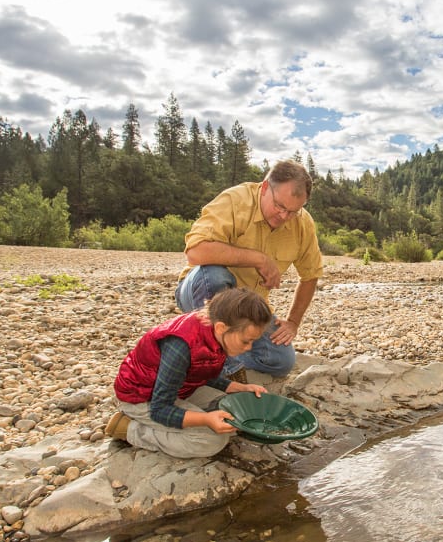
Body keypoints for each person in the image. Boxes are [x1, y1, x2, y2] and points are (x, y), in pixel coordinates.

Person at [174, 159, 323, 382]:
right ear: (264, 188)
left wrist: (293, 322)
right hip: (201, 290)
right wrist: (259, 259)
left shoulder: (303, 223)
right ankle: (219, 364)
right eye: (280, 206)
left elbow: (310, 275)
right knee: (216, 276)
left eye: (293, 211)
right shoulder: (235, 201)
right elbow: (196, 251)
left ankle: (210, 353)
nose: (284, 217)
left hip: (249, 307)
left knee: (281, 360)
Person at [104, 287, 271, 459]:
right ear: (221, 327)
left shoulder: (216, 332)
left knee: (237, 410)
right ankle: (130, 429)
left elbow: (202, 370)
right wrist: (205, 420)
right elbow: (160, 409)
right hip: (142, 397)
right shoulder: (181, 346)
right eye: (246, 341)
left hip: (178, 388)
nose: (248, 348)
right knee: (212, 440)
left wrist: (236, 387)